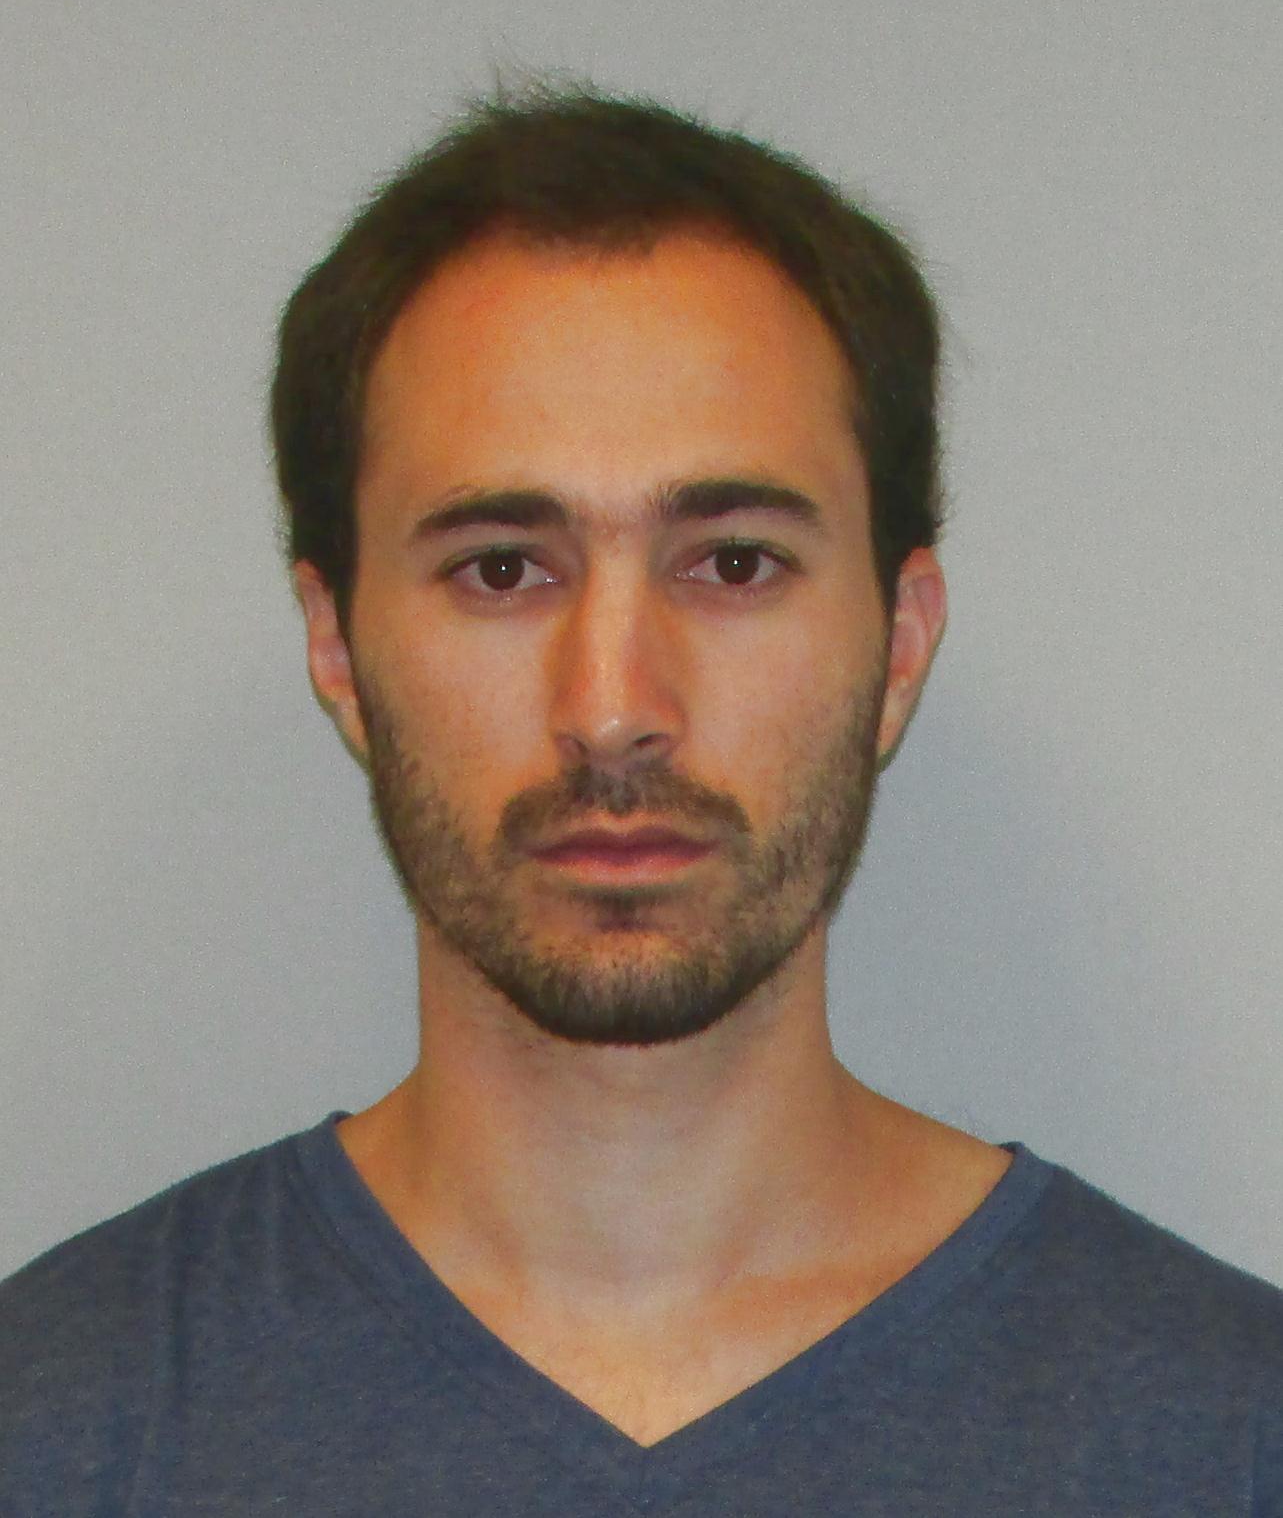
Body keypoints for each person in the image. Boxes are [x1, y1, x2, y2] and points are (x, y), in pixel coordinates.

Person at [2, 82, 1280, 1516]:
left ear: (900, 645)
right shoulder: (54, 1430)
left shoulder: (1229, 1443)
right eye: (502, 569)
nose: (613, 705)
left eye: (733, 564)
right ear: (338, 650)